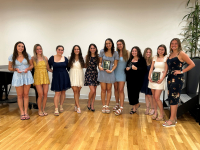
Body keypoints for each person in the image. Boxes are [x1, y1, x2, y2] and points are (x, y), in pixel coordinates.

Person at [163, 38, 195, 127]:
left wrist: (181, 71)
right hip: (170, 78)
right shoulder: (170, 54)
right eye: (172, 43)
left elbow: (192, 64)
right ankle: (174, 118)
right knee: (172, 98)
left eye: (175, 43)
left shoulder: (181, 53)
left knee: (173, 98)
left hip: (177, 79)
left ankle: (172, 120)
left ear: (179, 44)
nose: (173, 45)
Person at [8, 41, 34, 120]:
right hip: (18, 76)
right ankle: (22, 112)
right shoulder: (11, 56)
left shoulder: (27, 55)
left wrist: (27, 69)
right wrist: (15, 69)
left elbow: (32, 65)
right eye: (19, 46)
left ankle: (26, 112)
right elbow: (9, 68)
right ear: (16, 47)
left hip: (27, 76)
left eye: (22, 46)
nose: (21, 48)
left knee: (26, 95)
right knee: (19, 95)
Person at [98, 38, 119, 113]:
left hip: (110, 73)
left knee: (109, 90)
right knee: (103, 90)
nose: (108, 45)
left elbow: (115, 65)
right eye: (106, 43)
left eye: (109, 43)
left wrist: (111, 70)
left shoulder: (115, 53)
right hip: (103, 72)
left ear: (112, 44)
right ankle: (103, 106)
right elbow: (100, 62)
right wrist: (99, 66)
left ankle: (107, 106)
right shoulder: (102, 51)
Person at [48, 45, 71, 116]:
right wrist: (51, 71)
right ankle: (56, 108)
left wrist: (71, 62)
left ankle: (61, 106)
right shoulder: (52, 58)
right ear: (56, 50)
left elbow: (68, 68)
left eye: (62, 50)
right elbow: (48, 66)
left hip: (64, 76)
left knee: (63, 92)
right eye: (59, 49)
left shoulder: (65, 58)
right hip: (56, 77)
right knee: (57, 93)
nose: (60, 51)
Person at [148, 45, 168, 121]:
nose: (160, 51)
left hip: (161, 79)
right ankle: (156, 112)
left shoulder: (166, 58)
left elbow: (166, 70)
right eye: (159, 49)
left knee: (157, 98)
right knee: (154, 97)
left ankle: (162, 114)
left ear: (164, 51)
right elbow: (151, 68)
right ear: (157, 50)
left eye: (162, 50)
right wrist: (149, 77)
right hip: (154, 78)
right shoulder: (154, 58)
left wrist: (162, 79)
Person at [32, 44, 52, 116]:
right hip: (37, 76)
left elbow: (48, 68)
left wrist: (55, 71)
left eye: (40, 49)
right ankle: (39, 110)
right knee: (40, 94)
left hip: (45, 76)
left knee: (45, 94)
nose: (39, 50)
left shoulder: (45, 58)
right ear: (35, 50)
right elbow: (30, 67)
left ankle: (43, 109)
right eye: (37, 49)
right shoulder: (33, 58)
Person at [125, 46, 147, 114]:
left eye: (135, 51)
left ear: (138, 52)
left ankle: (134, 108)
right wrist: (126, 69)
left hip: (138, 81)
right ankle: (136, 105)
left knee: (135, 94)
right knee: (130, 94)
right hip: (130, 80)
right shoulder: (130, 59)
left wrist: (137, 69)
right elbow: (126, 69)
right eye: (133, 51)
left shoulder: (141, 59)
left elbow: (144, 69)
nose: (134, 52)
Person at [113, 39, 129, 115]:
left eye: (120, 44)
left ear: (123, 44)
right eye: (118, 44)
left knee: (121, 89)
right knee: (116, 89)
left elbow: (130, 62)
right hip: (115, 73)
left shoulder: (127, 53)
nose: (119, 46)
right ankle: (117, 104)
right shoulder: (115, 53)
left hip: (122, 74)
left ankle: (121, 107)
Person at [68, 45, 85, 114]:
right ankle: (78, 106)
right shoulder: (70, 57)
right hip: (72, 74)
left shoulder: (83, 57)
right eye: (75, 49)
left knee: (78, 91)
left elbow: (85, 65)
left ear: (79, 50)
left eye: (78, 49)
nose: (76, 50)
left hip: (80, 74)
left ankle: (75, 104)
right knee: (75, 91)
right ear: (73, 50)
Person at [84, 44, 99, 112]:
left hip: (95, 74)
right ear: (89, 49)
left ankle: (92, 104)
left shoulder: (98, 57)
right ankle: (89, 102)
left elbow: (99, 65)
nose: (92, 49)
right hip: (89, 74)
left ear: (95, 49)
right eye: (91, 48)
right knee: (92, 90)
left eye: (94, 48)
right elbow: (85, 65)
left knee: (94, 91)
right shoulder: (87, 56)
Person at [141, 48, 155, 115]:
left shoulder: (153, 60)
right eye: (147, 52)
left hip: (150, 79)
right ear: (145, 53)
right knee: (146, 95)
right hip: (144, 79)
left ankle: (152, 108)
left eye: (149, 52)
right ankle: (147, 108)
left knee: (149, 95)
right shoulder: (142, 60)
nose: (148, 53)